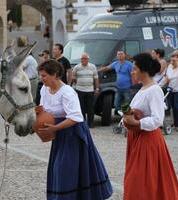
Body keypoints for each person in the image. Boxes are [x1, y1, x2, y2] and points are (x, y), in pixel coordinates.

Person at [37, 59, 113, 200]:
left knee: (65, 168)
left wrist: (55, 127)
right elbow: (43, 110)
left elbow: (76, 117)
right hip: (59, 134)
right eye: (40, 75)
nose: (41, 79)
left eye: (44, 75)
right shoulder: (44, 89)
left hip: (73, 133)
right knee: (58, 167)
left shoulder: (67, 92)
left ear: (54, 74)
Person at [123, 52, 178, 200]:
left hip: (147, 140)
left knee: (142, 181)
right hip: (137, 139)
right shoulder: (142, 89)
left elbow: (157, 119)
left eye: (135, 68)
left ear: (143, 70)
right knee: (137, 180)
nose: (132, 72)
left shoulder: (154, 90)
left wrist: (137, 123)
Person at [99, 50, 133, 115]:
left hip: (127, 88)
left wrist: (133, 85)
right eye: (118, 54)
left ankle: (127, 117)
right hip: (118, 88)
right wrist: (97, 70)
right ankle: (121, 114)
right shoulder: (115, 63)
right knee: (116, 104)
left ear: (124, 55)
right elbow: (107, 68)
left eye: (121, 54)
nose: (120, 55)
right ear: (117, 56)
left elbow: (133, 74)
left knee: (127, 103)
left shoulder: (129, 64)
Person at [72, 52, 99, 128]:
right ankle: (83, 123)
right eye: (82, 58)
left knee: (91, 108)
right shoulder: (77, 67)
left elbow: (96, 78)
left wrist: (97, 88)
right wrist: (77, 82)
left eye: (85, 58)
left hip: (90, 90)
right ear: (80, 59)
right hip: (79, 90)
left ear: (88, 59)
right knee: (81, 107)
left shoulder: (93, 67)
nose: (84, 60)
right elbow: (73, 77)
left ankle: (90, 123)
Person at [164, 53, 178, 132]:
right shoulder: (169, 67)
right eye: (172, 58)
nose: (173, 60)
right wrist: (166, 81)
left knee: (176, 106)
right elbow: (168, 76)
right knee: (170, 106)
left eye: (175, 58)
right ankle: (174, 122)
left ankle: (177, 125)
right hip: (170, 89)